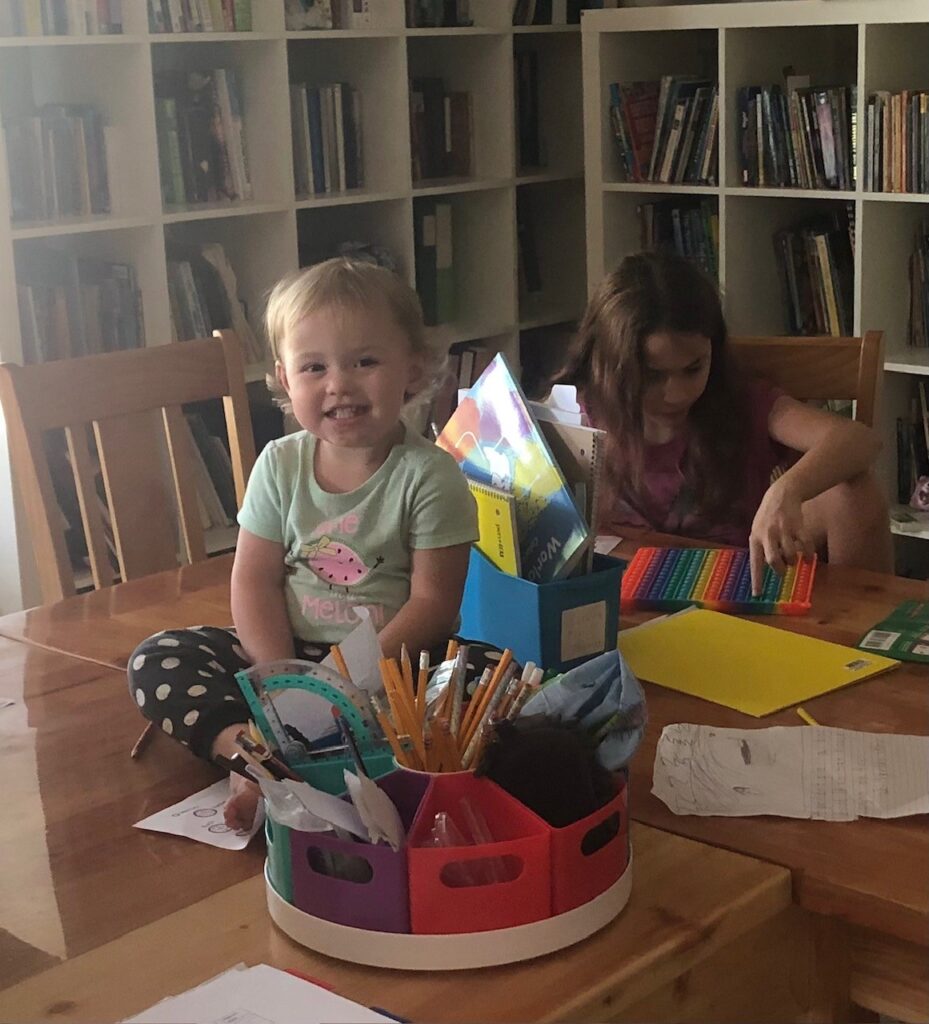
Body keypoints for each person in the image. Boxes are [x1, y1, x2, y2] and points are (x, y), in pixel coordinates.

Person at [128, 258, 479, 827]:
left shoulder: (431, 475)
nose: (339, 382)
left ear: (412, 368)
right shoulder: (279, 464)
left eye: (364, 361)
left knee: (490, 676)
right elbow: (254, 579)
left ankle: (332, 757)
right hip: (286, 656)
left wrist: (345, 683)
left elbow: (434, 605)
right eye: (314, 367)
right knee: (159, 657)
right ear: (286, 380)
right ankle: (258, 759)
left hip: (390, 667)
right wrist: (281, 684)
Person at [560, 250, 892, 592]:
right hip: (623, 602)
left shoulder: (744, 402)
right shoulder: (578, 412)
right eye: (652, 376)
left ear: (713, 352)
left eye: (693, 369)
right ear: (611, 366)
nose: (676, 393)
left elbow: (860, 440)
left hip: (735, 594)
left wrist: (786, 491)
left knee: (854, 490)